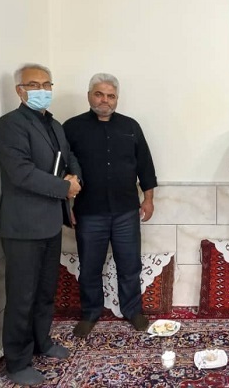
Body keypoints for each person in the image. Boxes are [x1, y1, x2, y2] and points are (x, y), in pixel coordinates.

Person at [0, 63, 82, 386]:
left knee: (45, 291)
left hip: (50, 223)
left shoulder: (54, 124)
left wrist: (75, 177)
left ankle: (41, 342)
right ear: (20, 90)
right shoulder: (9, 125)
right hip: (22, 226)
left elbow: (69, 157)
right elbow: (22, 173)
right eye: (33, 85)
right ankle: (17, 362)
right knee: (22, 296)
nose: (41, 90)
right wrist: (64, 187)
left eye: (46, 84)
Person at [63, 73, 158, 338]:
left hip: (126, 211)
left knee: (129, 265)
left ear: (117, 99)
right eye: (99, 94)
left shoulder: (130, 126)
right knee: (90, 267)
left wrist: (148, 199)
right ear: (89, 96)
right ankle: (90, 313)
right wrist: (66, 207)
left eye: (110, 96)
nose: (105, 100)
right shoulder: (71, 127)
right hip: (88, 212)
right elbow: (62, 170)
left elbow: (145, 165)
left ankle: (133, 311)